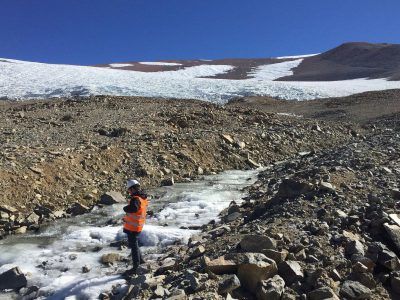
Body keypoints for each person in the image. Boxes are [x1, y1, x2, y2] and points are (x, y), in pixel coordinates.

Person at [123, 179, 149, 275]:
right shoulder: (143, 197)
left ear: (133, 189)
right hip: (138, 225)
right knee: (135, 244)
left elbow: (134, 208)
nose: (129, 192)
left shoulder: (136, 199)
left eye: (129, 190)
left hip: (133, 227)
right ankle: (141, 260)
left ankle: (136, 267)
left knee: (133, 246)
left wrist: (125, 208)